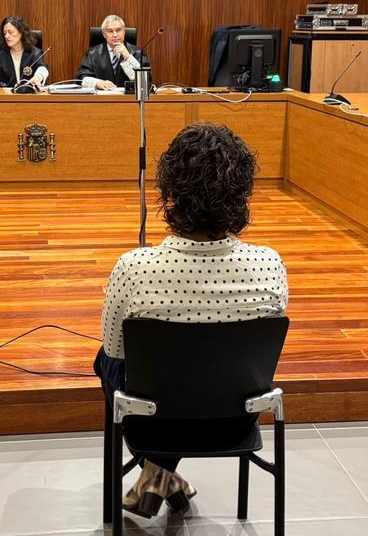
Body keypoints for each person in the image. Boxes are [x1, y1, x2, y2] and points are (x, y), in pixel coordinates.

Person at [94, 122, 288, 518]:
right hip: (235, 422)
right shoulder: (270, 265)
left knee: (106, 360)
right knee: (207, 365)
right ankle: (162, 476)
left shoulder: (135, 268)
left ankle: (156, 471)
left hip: (152, 424)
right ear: (242, 194)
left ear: (170, 194)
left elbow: (115, 350)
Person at [76, 15, 150, 92]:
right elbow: (80, 78)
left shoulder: (138, 52)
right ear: (104, 34)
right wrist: (97, 83)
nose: (115, 35)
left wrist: (128, 57)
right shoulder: (93, 53)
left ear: (124, 32)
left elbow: (145, 82)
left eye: (118, 30)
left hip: (129, 100)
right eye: (110, 31)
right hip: (101, 100)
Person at [0, 16, 48, 91]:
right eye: (5, 33)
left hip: (30, 98)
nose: (7, 36)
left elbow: (42, 69)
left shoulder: (35, 53)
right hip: (6, 99)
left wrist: (38, 77)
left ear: (21, 33)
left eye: (10, 32)